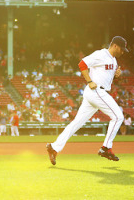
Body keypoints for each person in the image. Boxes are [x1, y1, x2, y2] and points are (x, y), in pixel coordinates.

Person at [47, 36, 129, 165]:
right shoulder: (101, 54)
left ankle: (54, 147)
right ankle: (106, 148)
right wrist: (89, 81)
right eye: (122, 49)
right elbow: (82, 64)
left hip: (96, 93)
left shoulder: (113, 60)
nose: (123, 52)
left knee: (76, 123)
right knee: (118, 117)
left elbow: (106, 75)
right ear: (115, 46)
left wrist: (116, 75)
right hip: (96, 91)